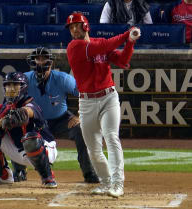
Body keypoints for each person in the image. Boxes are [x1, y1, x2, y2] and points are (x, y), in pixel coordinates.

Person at [65, 12, 141, 197]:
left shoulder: (98, 44)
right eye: (71, 27)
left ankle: (117, 183)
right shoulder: (75, 47)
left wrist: (130, 43)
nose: (74, 29)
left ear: (86, 26)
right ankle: (106, 183)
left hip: (108, 98)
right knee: (93, 150)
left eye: (77, 25)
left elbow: (123, 61)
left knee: (111, 137)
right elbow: (105, 45)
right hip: (87, 102)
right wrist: (126, 35)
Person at [10, 47, 99, 184]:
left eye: (43, 58)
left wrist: (80, 115)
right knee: (16, 127)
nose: (40, 62)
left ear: (50, 62)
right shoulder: (24, 79)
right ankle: (19, 169)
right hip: (34, 122)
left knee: (81, 130)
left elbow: (86, 94)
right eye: (37, 58)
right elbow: (13, 100)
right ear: (32, 61)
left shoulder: (63, 79)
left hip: (61, 119)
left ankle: (88, 172)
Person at [0, 72, 58, 188]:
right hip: (18, 152)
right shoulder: (3, 108)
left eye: (15, 85)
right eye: (8, 85)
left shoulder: (31, 103)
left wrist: (18, 115)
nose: (11, 89)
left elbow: (28, 111)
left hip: (45, 149)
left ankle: (47, 177)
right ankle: (3, 176)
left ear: (23, 87)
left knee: (30, 138)